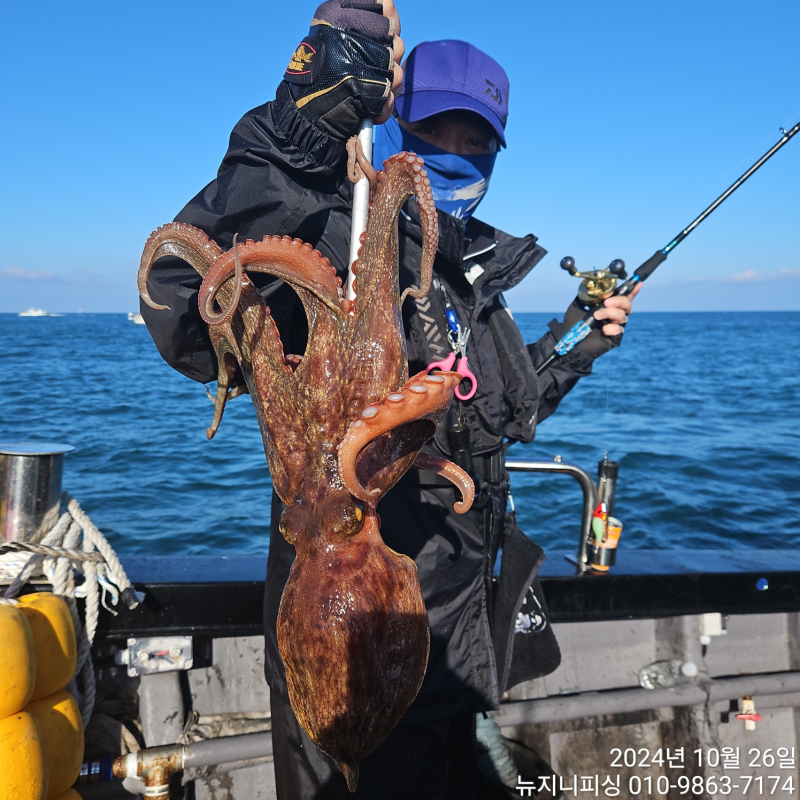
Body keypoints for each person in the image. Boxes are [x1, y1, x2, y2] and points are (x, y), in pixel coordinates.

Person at [140, 2, 639, 797]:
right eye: (436, 131)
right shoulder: (342, 233)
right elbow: (187, 308)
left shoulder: (473, 277)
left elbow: (501, 415)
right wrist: (299, 131)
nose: (455, 154)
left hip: (464, 648)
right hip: (350, 641)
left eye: (477, 140)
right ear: (391, 123)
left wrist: (581, 338)